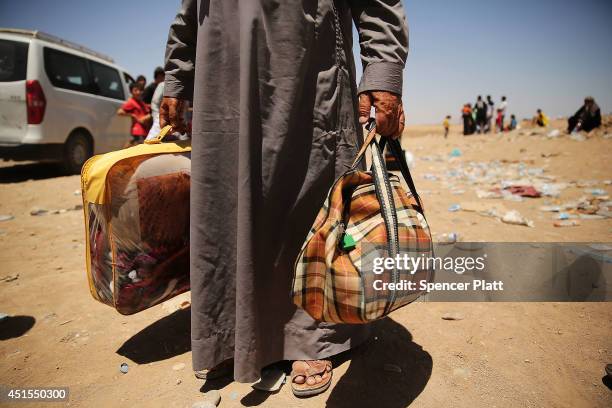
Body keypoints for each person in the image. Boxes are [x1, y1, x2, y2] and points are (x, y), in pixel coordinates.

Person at [160, 0, 408, 397]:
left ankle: (313, 335)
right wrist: (177, 76)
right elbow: (191, 11)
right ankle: (231, 331)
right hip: (221, 62)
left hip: (305, 58)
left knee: (306, 188)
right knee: (224, 197)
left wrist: (383, 72)